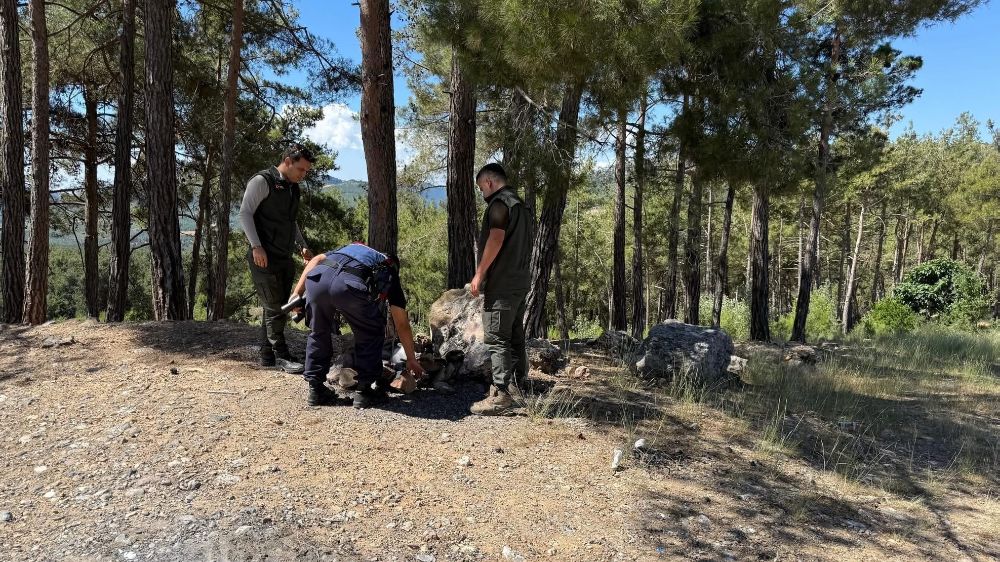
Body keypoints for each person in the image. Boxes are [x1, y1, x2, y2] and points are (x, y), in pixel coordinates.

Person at [289, 242, 425, 408]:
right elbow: (402, 324)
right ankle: (364, 392)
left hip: (318, 279)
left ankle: (315, 390)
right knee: (372, 332)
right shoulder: (388, 268)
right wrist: (411, 359)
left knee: (318, 332)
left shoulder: (353, 249)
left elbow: (316, 259)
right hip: (349, 285)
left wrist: (296, 293)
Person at [239, 143, 317, 374]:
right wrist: (256, 246)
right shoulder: (262, 181)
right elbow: (245, 213)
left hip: (283, 254)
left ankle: (266, 355)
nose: (304, 175)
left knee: (276, 305)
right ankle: (282, 356)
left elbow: (290, 221)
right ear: (287, 161)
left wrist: (301, 245)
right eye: (301, 169)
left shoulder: (292, 187)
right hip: (264, 256)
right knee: (275, 308)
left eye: (306, 171)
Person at [469, 163, 535, 416]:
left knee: (497, 337)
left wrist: (480, 273)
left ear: (488, 182)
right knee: (515, 334)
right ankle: (519, 385)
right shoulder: (521, 206)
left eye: (480, 188)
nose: (482, 194)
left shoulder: (500, 204)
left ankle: (500, 394)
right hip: (520, 281)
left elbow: (495, 239)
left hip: (503, 283)